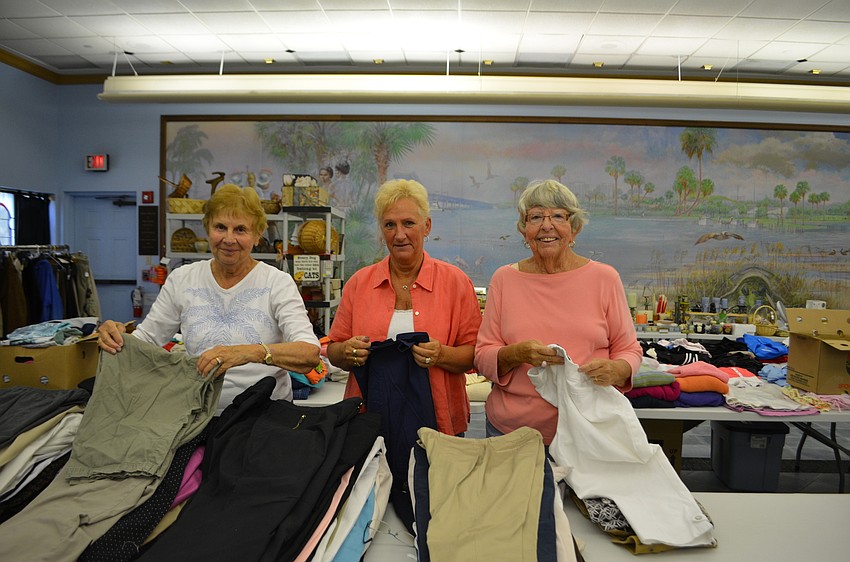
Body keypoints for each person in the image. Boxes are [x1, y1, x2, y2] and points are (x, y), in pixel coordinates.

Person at [98, 184, 321, 415]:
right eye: (220, 227)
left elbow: (309, 354)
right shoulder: (183, 279)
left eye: (241, 229)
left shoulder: (277, 283)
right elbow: (146, 340)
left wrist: (247, 352)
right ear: (208, 229)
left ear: (257, 236)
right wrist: (116, 337)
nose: (229, 238)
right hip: (198, 415)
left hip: (264, 416)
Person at [474, 179, 642, 445]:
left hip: (589, 431)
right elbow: (482, 356)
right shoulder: (504, 279)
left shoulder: (605, 278)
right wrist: (516, 354)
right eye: (536, 216)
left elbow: (629, 350)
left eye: (558, 216)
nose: (547, 225)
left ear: (574, 229)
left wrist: (617, 369)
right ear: (524, 230)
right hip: (513, 434)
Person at [326, 178, 482, 436]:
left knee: (432, 478)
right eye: (390, 225)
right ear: (381, 230)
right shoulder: (359, 284)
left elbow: (475, 355)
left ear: (427, 226)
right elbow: (333, 351)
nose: (399, 234)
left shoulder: (456, 282)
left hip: (440, 423)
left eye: (408, 223)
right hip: (368, 422)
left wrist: (441, 355)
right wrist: (346, 351)